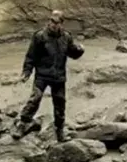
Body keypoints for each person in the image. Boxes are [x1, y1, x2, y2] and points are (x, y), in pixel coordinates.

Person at [13, 10, 84, 141]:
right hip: (42, 75)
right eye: (51, 21)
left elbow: (72, 53)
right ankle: (22, 124)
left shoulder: (66, 37)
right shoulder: (40, 36)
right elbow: (31, 56)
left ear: (62, 24)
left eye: (56, 22)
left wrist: (80, 50)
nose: (53, 24)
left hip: (59, 77)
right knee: (35, 98)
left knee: (60, 103)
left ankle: (60, 131)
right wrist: (26, 73)